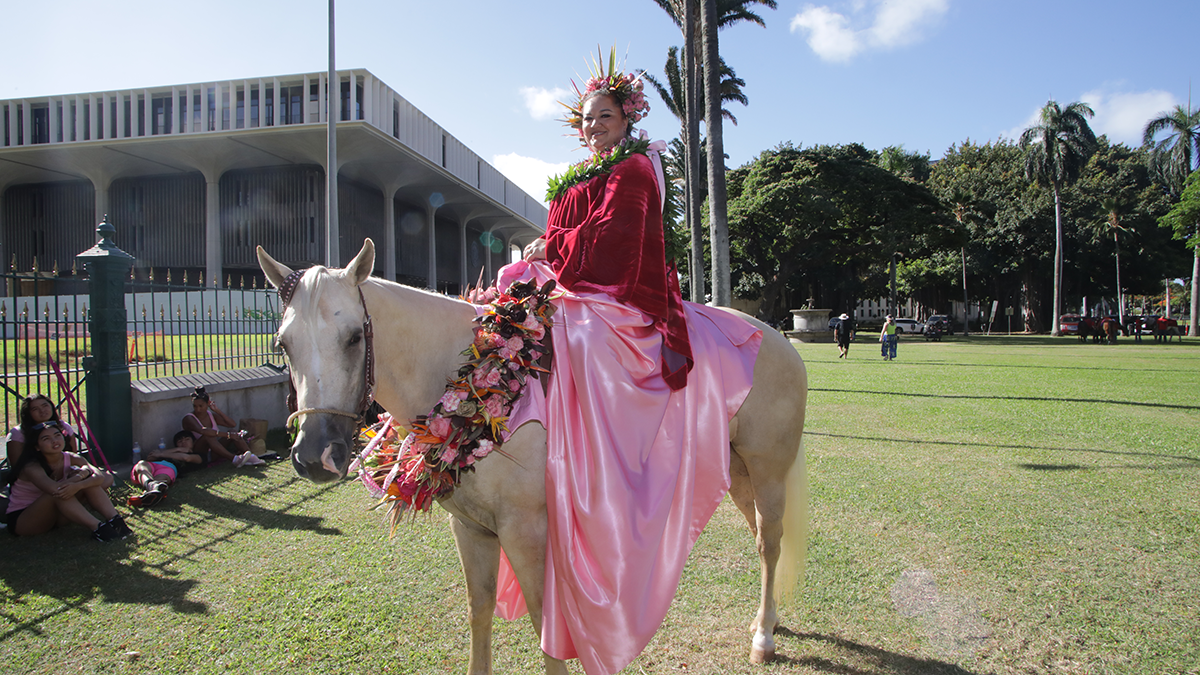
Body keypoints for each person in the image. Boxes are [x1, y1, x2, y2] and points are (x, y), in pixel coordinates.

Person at [492, 55, 763, 675]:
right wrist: (536, 257)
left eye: (604, 117)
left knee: (578, 338)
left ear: (628, 117)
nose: (593, 128)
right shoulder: (576, 179)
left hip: (619, 300)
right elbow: (569, 244)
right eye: (586, 121)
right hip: (573, 288)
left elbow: (614, 245)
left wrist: (547, 248)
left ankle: (605, 472)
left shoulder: (639, 168)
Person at [5, 420, 131, 541]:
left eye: (57, 435)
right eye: (46, 439)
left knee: (89, 484)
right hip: (25, 520)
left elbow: (99, 477)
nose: (54, 441)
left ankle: (116, 521)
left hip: (54, 516)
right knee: (59, 492)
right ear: (37, 447)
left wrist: (80, 480)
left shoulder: (71, 457)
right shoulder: (31, 467)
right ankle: (99, 528)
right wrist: (79, 478)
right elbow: (54, 490)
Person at [127, 430, 229, 507]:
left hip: (170, 468)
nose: (183, 442)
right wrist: (176, 450)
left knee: (162, 479)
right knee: (142, 465)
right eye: (180, 441)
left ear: (194, 442)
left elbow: (186, 457)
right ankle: (151, 486)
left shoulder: (199, 455)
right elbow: (150, 457)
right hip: (152, 464)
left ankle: (152, 491)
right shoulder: (169, 452)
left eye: (187, 439)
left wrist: (163, 453)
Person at [181, 386, 258, 467]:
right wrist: (227, 435)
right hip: (200, 454)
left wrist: (217, 411)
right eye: (195, 406)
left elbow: (232, 424)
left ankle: (252, 457)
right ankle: (234, 459)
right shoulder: (189, 418)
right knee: (208, 436)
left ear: (208, 403)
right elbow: (203, 431)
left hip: (215, 451)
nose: (198, 409)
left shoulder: (211, 415)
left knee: (233, 431)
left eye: (201, 406)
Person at [6, 394, 78, 469]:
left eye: (45, 405)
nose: (42, 410)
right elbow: (17, 467)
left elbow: (74, 457)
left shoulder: (64, 426)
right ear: (28, 413)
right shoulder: (18, 433)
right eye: (35, 409)